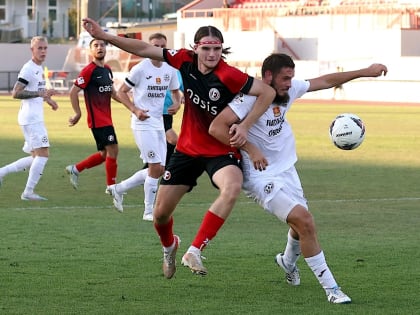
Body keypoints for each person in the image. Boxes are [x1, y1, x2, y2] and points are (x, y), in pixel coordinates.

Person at [82, 18, 276, 279]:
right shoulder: (183, 59)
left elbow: (267, 92)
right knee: (160, 216)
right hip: (187, 149)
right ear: (195, 48)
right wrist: (105, 35)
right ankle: (170, 246)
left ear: (222, 50)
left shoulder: (229, 75)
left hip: (220, 149)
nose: (211, 54)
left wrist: (245, 126)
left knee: (231, 187)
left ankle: (195, 249)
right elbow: (142, 49)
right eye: (206, 49)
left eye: (217, 49)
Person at [209, 53, 388, 303]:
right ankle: (332, 289)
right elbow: (216, 127)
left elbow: (324, 81)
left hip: (287, 170)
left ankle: (287, 262)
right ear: (268, 76)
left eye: (292, 78)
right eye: (285, 78)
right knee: (305, 221)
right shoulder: (248, 98)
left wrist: (364, 71)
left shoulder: (288, 91)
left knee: (299, 226)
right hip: (260, 176)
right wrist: (251, 148)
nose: (290, 83)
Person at [109, 33, 182, 220]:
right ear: (148, 47)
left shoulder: (170, 69)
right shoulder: (140, 69)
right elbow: (121, 92)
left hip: (158, 122)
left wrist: (176, 104)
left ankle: (118, 189)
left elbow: (176, 92)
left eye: (162, 46)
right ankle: (148, 210)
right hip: (142, 124)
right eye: (155, 45)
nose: (158, 49)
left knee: (159, 169)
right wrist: (135, 110)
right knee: (155, 165)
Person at [0, 36, 58, 200]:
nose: (43, 51)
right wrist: (39, 94)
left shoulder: (39, 68)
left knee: (35, 156)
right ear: (32, 50)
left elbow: (38, 91)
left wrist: (48, 100)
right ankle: (28, 192)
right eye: (39, 48)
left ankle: (1, 173)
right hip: (32, 119)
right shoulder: (28, 68)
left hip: (31, 117)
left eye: (45, 48)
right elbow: (16, 92)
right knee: (43, 155)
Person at [65, 38, 123, 193]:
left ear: (106, 49)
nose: (99, 48)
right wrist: (78, 113)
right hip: (98, 120)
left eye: (102, 45)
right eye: (95, 46)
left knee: (105, 154)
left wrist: (132, 107)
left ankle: (76, 169)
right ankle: (111, 187)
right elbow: (73, 92)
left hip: (106, 119)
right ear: (90, 51)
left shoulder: (107, 69)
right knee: (113, 150)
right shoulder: (88, 70)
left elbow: (113, 93)